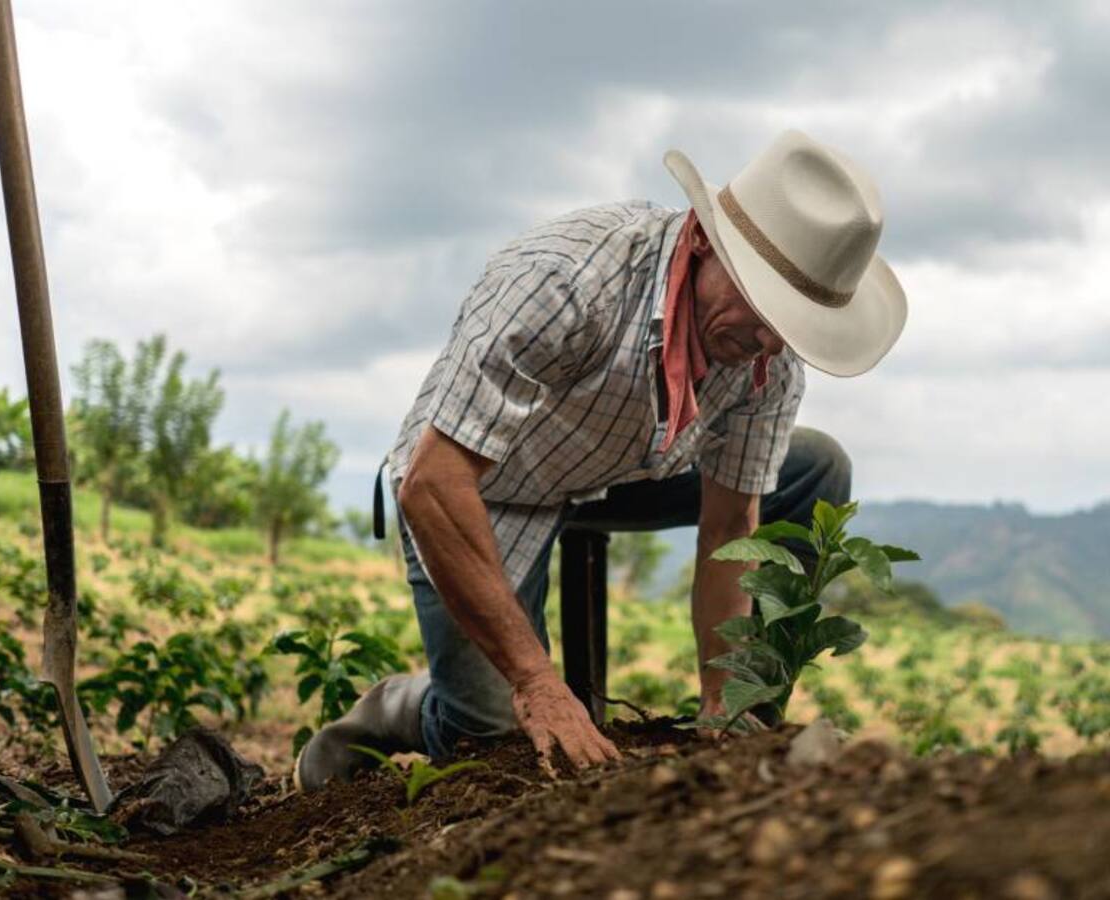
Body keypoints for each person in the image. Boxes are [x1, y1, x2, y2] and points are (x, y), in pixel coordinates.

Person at [294, 129, 907, 790]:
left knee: (816, 467)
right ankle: (398, 706)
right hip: (485, 482)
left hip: (624, 469)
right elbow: (434, 482)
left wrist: (720, 707)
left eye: (788, 326)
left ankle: (751, 720)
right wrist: (535, 681)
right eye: (761, 309)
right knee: (493, 737)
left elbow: (732, 527)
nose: (766, 343)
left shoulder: (765, 357)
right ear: (703, 241)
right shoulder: (567, 282)